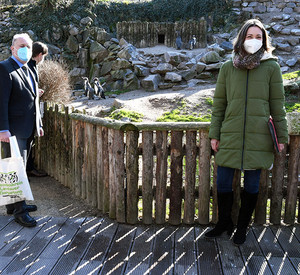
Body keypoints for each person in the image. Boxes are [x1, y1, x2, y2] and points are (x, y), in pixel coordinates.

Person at [205, 19, 288, 245]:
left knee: (251, 187)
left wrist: (282, 137)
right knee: (222, 184)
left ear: (264, 40)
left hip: (259, 136)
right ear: (241, 39)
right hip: (229, 134)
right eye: (249, 36)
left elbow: (278, 105)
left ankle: (242, 227)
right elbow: (219, 103)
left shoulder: (272, 67)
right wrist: (215, 134)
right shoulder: (227, 67)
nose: (253, 41)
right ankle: (224, 224)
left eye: (258, 37)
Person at [0, 33, 44, 227]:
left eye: (28, 45)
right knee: (17, 170)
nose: (25, 48)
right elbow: (1, 102)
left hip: (27, 128)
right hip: (13, 130)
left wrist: (39, 124)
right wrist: (3, 129)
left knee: (16, 167)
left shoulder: (27, 68)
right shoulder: (4, 68)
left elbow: (33, 99)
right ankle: (19, 210)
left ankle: (11, 205)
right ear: (13, 48)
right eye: (21, 45)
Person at [26, 41, 48, 177]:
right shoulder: (29, 66)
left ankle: (29, 168)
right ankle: (27, 170)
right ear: (39, 55)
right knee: (27, 142)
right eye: (43, 56)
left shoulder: (31, 66)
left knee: (29, 142)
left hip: (30, 110)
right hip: (27, 112)